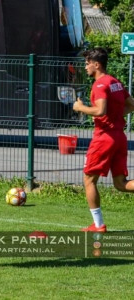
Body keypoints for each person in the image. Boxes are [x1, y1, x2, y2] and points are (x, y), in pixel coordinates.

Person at [73, 47, 134, 232]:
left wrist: (80, 107)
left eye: (87, 63)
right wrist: (115, 117)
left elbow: (100, 110)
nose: (85, 67)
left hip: (104, 138)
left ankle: (98, 225)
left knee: (89, 180)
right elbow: (131, 105)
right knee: (120, 184)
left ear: (96, 64)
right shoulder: (116, 82)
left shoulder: (100, 85)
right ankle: (98, 225)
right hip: (119, 137)